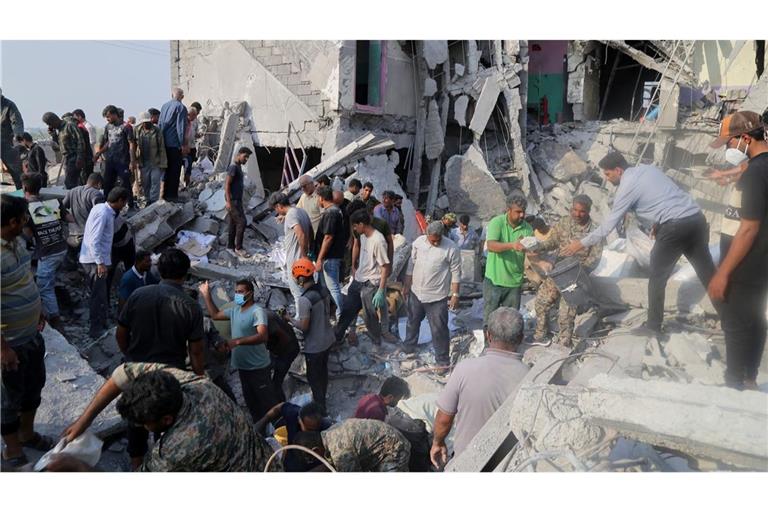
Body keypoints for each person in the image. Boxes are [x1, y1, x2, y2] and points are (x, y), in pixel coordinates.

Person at [561, 151, 716, 338]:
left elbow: (608, 226)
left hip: (674, 227)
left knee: (657, 278)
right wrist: (657, 223)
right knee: (707, 272)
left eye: (608, 174)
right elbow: (664, 197)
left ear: (618, 170)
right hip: (696, 219)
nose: (606, 178)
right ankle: (730, 314)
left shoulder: (627, 187)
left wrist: (580, 243)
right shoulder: (648, 169)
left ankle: (653, 327)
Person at [62, 363, 278, 472]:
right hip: (265, 462)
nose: (143, 427)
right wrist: (83, 421)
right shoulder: (193, 384)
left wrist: (78, 467)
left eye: (145, 424)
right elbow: (123, 373)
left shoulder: (180, 445)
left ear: (166, 420)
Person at [116, 248, 205, 468]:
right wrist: (200, 378)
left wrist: (130, 356)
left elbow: (121, 333)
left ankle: (136, 466)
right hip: (170, 376)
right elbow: (195, 352)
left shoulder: (138, 295)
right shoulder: (191, 307)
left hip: (137, 370)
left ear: (159, 270)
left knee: (137, 421)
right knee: (167, 425)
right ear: (185, 274)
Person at [707, 111, 768, 390]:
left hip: (745, 262)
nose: (728, 149)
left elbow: (748, 228)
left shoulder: (755, 174)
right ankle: (749, 378)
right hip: (760, 262)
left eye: (730, 143)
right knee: (754, 319)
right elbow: (745, 169)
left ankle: (734, 384)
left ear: (745, 138)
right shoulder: (759, 166)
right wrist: (728, 175)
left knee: (734, 323)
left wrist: (723, 273)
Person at [431, 307, 529, 468]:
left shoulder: (464, 369)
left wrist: (438, 443)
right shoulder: (530, 378)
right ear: (521, 338)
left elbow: (444, 419)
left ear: (488, 335)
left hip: (467, 463)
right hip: (508, 465)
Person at [1, 195, 53, 470]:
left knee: (34, 386)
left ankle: (27, 434)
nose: (26, 223)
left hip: (31, 334)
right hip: (10, 344)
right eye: (23, 219)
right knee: (8, 399)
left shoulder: (18, 242)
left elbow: (25, 277)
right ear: (12, 222)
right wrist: (3, 349)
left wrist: (38, 306)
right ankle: (12, 450)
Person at [199, 279, 279, 424]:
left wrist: (237, 341)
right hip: (243, 367)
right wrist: (206, 295)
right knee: (252, 404)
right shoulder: (235, 310)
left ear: (250, 293)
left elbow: (263, 336)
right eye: (236, 292)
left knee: (268, 403)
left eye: (241, 292)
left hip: (258, 368)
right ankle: (260, 431)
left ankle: (281, 430)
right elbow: (215, 315)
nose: (237, 295)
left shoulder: (257, 311)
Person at [531, 195, 603, 347]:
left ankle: (564, 343)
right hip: (557, 272)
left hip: (575, 277)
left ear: (589, 211)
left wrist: (579, 272)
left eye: (582, 211)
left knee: (566, 314)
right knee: (541, 302)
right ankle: (540, 335)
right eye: (574, 210)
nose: (577, 214)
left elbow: (595, 259)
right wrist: (536, 247)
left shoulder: (595, 231)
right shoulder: (564, 222)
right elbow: (552, 242)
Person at [402, 221, 462, 369]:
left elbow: (456, 272)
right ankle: (409, 350)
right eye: (432, 240)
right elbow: (411, 264)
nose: (435, 243)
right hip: (416, 293)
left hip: (437, 297)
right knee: (412, 322)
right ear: (426, 235)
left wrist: (455, 294)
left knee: (439, 330)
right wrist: (407, 285)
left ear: (442, 235)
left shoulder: (451, 248)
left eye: (438, 240)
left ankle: (442, 361)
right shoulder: (418, 243)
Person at [335, 204, 396, 345]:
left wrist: (381, 289)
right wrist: (354, 267)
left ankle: (376, 341)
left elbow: (385, 266)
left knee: (370, 317)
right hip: (359, 279)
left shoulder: (378, 241)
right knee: (348, 309)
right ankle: (337, 337)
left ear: (362, 224)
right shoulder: (363, 235)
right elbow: (358, 249)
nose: (354, 229)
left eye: (355, 226)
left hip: (371, 283)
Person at [286, 258, 335, 413]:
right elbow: (333, 309)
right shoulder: (324, 289)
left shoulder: (304, 300)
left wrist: (289, 319)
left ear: (300, 279)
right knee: (323, 372)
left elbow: (304, 326)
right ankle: (322, 400)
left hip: (314, 346)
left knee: (314, 378)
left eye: (296, 278)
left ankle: (321, 409)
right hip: (328, 339)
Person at [80, 187, 129, 338]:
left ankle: (101, 322)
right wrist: (100, 263)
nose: (124, 206)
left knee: (99, 294)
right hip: (94, 261)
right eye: (124, 202)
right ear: (119, 200)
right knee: (98, 296)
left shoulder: (102, 209)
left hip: (95, 260)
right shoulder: (103, 213)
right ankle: (96, 329)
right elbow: (94, 240)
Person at [21, 173, 67, 330]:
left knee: (44, 287)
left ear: (24, 188)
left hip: (48, 253)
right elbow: (68, 218)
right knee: (49, 281)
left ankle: (55, 320)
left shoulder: (27, 208)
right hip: (61, 248)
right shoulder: (52, 201)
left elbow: (28, 235)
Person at [482, 194, 533, 328]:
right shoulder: (497, 222)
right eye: (518, 212)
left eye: (523, 211)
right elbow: (491, 246)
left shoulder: (528, 229)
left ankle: (508, 342)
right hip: (494, 281)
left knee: (511, 322)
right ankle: (489, 341)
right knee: (490, 320)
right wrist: (512, 245)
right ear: (508, 210)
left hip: (514, 283)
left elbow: (531, 253)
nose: (522, 215)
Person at [294, 418, 410, 472]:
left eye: (311, 459)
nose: (313, 461)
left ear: (315, 450)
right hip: (386, 441)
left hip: (395, 450)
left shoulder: (340, 452)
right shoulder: (330, 432)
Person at [254, 401, 331, 472]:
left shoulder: (327, 431)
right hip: (289, 460)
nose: (311, 433)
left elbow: (330, 463)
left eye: (315, 430)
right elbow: (280, 407)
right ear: (299, 420)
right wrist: (263, 421)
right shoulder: (293, 414)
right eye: (309, 429)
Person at [269, 191, 313, 307]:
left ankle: (302, 316)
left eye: (275, 209)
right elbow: (310, 232)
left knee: (298, 294)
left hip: (296, 263)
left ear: (278, 206)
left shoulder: (291, 215)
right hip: (304, 262)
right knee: (307, 291)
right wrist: (309, 252)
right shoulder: (301, 211)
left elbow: (301, 234)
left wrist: (303, 256)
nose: (277, 212)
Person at [314, 185, 347, 316]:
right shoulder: (334, 211)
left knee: (333, 288)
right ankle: (332, 314)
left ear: (321, 198)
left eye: (317, 198)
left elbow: (328, 237)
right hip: (330, 256)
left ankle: (340, 317)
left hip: (330, 257)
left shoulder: (331, 213)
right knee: (328, 287)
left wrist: (320, 259)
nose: (317, 200)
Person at [94, 105, 136, 205]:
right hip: (110, 161)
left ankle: (130, 204)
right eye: (106, 117)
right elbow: (108, 142)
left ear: (114, 114)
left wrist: (132, 160)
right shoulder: (108, 127)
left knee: (125, 183)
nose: (107, 119)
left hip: (122, 161)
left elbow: (131, 144)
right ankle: (107, 204)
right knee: (107, 183)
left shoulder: (126, 127)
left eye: (108, 116)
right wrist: (99, 153)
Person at [42, 112, 86, 190]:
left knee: (70, 183)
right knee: (72, 182)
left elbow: (80, 141)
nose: (50, 126)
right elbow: (60, 144)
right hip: (67, 158)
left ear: (54, 120)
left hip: (74, 157)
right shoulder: (60, 129)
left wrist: (80, 157)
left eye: (49, 124)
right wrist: (54, 135)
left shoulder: (69, 125)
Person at [158, 87, 189, 201]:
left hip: (164, 143)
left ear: (172, 95)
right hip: (174, 144)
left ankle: (164, 195)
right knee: (174, 170)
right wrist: (183, 144)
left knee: (165, 170)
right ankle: (172, 196)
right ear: (182, 96)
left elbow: (160, 124)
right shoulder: (181, 107)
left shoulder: (164, 106)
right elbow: (181, 127)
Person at [264, 308, 300, 402]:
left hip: (287, 351)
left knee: (276, 383)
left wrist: (275, 354)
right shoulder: (261, 315)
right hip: (279, 349)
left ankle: (282, 405)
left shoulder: (267, 318)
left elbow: (285, 338)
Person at [61, 172, 104, 248]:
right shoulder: (96, 194)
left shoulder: (73, 191)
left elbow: (61, 208)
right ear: (99, 184)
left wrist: (68, 216)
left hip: (72, 235)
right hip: (88, 236)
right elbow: (101, 215)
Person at [133, 110, 167, 205]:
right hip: (143, 161)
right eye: (144, 122)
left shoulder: (157, 131)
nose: (146, 124)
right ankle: (147, 199)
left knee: (155, 182)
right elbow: (133, 145)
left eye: (147, 122)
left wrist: (163, 163)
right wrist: (133, 159)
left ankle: (153, 201)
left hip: (155, 161)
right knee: (146, 183)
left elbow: (161, 147)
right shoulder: (137, 130)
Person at [225, 147, 251, 258]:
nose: (246, 159)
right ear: (239, 154)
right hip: (233, 201)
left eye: (248, 157)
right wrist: (228, 202)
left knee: (233, 223)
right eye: (245, 156)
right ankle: (238, 248)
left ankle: (230, 246)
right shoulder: (233, 167)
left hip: (237, 201)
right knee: (242, 222)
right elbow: (227, 185)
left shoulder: (238, 167)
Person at [1, 89, 25, 189]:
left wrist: (18, 135)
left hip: (6, 142)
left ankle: (22, 192)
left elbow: (16, 121)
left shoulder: (9, 105)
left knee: (16, 170)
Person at [182, 106, 199, 189]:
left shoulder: (191, 122)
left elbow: (193, 133)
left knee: (189, 163)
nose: (195, 117)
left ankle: (187, 184)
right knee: (187, 163)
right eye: (194, 115)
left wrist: (197, 135)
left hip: (191, 146)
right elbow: (183, 136)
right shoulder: (184, 123)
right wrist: (185, 146)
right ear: (189, 114)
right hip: (184, 148)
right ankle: (185, 182)